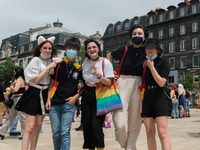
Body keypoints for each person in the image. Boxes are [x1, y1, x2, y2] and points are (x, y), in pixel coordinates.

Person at [107, 24, 148, 150]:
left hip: (139, 84)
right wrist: (110, 71)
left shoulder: (147, 51)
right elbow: (109, 55)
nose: (137, 36)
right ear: (131, 36)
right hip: (122, 82)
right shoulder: (124, 49)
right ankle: (126, 144)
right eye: (134, 33)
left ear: (144, 37)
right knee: (119, 122)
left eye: (139, 34)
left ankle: (130, 147)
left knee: (135, 120)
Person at [15, 36, 57, 150]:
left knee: (38, 126)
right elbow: (36, 80)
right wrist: (48, 67)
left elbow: (51, 83)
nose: (47, 50)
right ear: (40, 48)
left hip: (44, 93)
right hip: (34, 92)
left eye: (50, 48)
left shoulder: (51, 61)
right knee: (30, 127)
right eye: (45, 48)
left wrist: (48, 99)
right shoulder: (35, 60)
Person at [45, 36, 83, 150]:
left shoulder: (80, 69)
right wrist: (48, 100)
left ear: (78, 51)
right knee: (56, 133)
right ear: (65, 49)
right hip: (54, 103)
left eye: (74, 49)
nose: (71, 51)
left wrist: (75, 97)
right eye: (69, 48)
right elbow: (51, 84)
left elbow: (83, 87)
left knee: (64, 133)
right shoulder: (58, 65)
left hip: (69, 104)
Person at [81, 39, 114, 150]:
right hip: (87, 94)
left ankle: (100, 148)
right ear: (86, 50)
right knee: (87, 125)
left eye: (94, 47)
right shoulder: (85, 62)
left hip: (101, 95)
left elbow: (109, 82)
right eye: (89, 48)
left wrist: (99, 76)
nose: (92, 49)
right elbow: (83, 77)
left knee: (96, 126)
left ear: (98, 48)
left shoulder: (105, 62)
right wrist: (80, 84)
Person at [141, 38, 172, 150]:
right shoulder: (144, 64)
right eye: (147, 47)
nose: (149, 49)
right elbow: (142, 85)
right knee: (149, 132)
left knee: (162, 133)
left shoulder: (163, 62)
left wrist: (152, 67)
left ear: (157, 50)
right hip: (148, 97)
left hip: (160, 97)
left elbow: (161, 82)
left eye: (152, 47)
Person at [0, 67, 26, 140]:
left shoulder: (20, 79)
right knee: (10, 117)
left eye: (14, 72)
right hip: (16, 98)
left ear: (18, 72)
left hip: (19, 99)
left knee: (22, 117)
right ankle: (2, 132)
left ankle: (25, 134)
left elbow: (16, 89)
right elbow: (14, 91)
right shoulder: (17, 80)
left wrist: (11, 87)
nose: (13, 73)